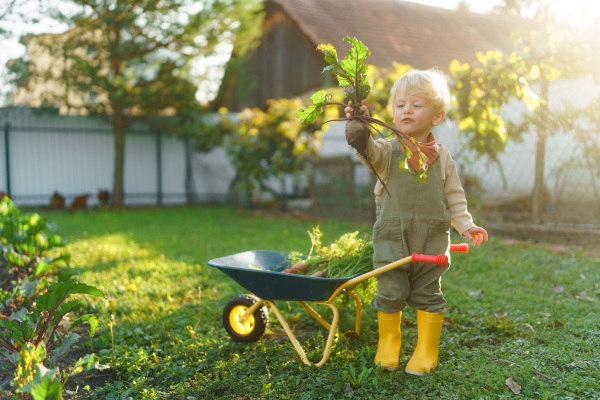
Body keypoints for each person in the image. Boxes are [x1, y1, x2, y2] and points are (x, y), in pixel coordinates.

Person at [344, 68, 488, 375]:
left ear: (437, 117)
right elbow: (367, 151)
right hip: (392, 238)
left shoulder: (443, 157)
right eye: (400, 105)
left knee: (428, 293)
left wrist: (465, 224)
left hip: (432, 239)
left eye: (416, 105)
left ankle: (426, 350)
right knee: (391, 291)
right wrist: (359, 128)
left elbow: (454, 194)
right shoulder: (387, 149)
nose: (406, 110)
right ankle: (389, 342)